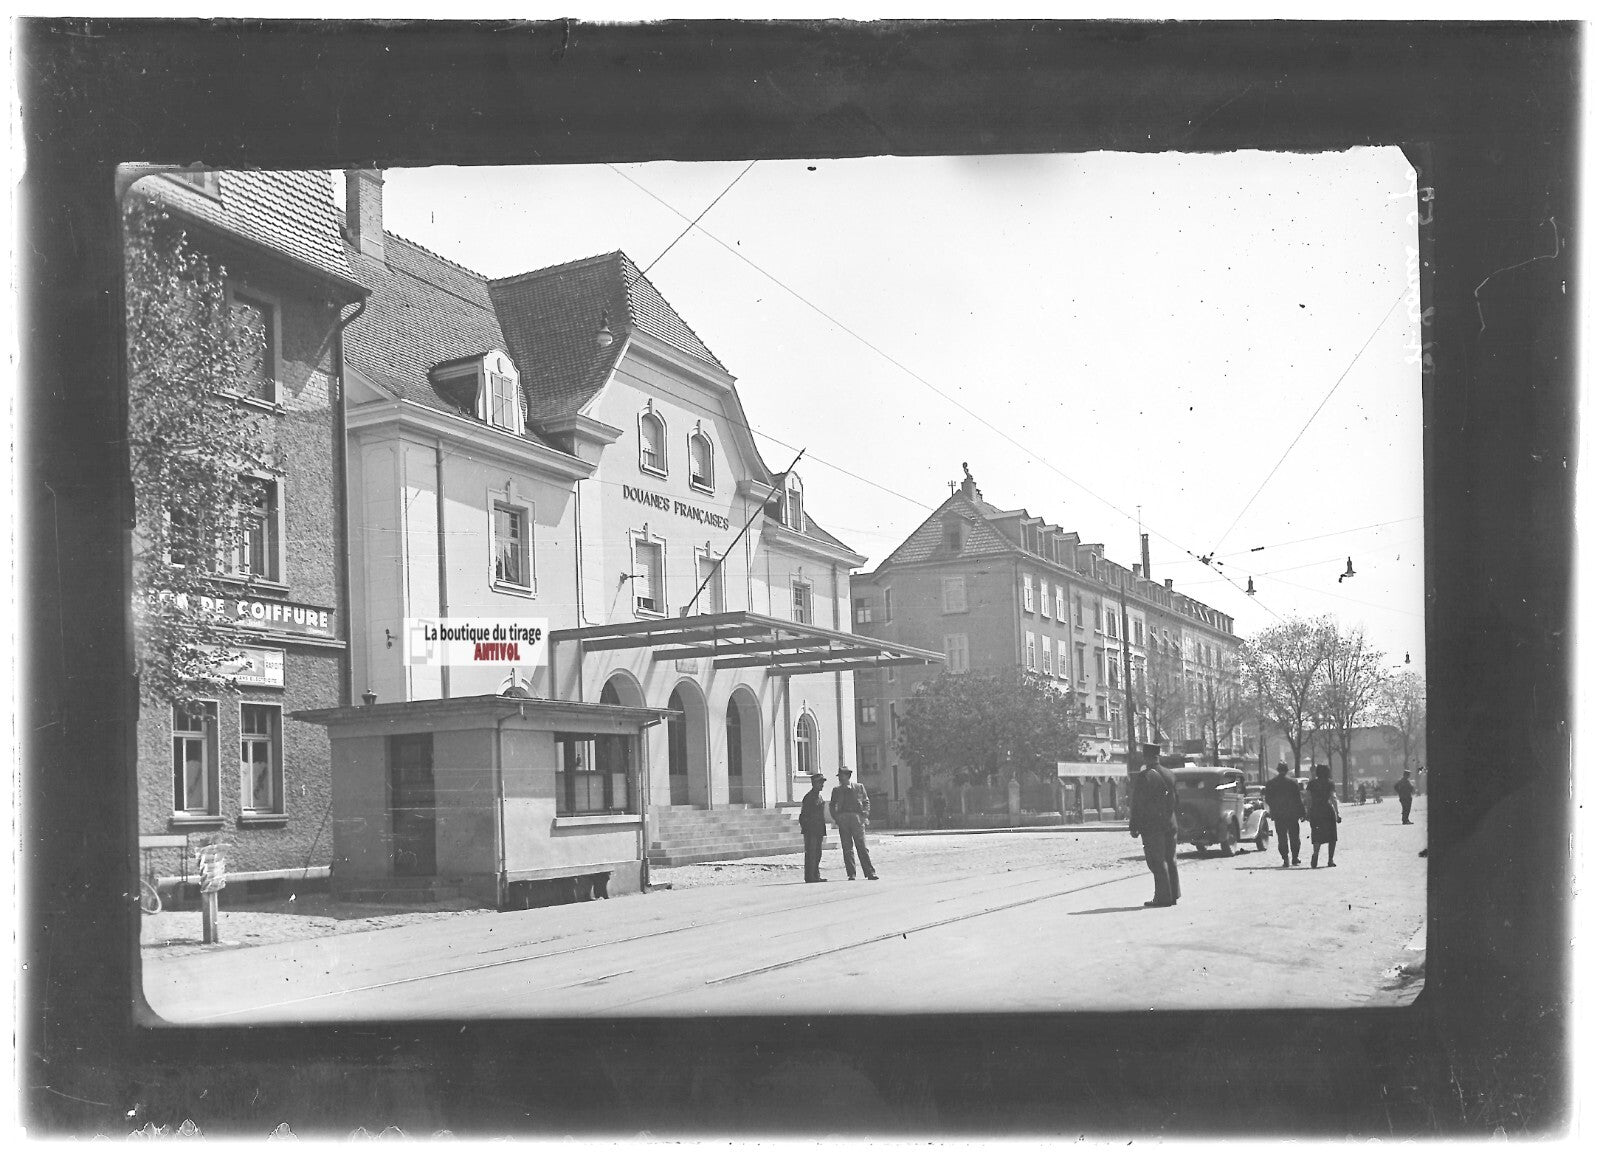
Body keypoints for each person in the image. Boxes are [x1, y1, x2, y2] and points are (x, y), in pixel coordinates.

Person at [1128, 744, 1180, 908]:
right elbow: (1176, 800)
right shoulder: (1170, 774)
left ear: (1145, 757)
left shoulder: (1145, 776)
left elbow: (1138, 804)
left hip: (1153, 826)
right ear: (1158, 756)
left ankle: (1162, 897)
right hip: (1170, 823)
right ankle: (1173, 895)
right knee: (1170, 858)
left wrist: (1134, 825)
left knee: (1157, 860)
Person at [829, 767, 878, 881]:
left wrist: (865, 815)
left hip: (857, 819)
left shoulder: (859, 787)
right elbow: (832, 805)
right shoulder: (836, 790)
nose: (840, 779)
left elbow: (866, 801)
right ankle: (851, 873)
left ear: (847, 776)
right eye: (839, 776)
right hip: (843, 819)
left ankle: (870, 872)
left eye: (842, 776)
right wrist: (836, 818)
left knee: (862, 846)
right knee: (847, 848)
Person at [1262, 761, 1306, 867]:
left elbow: (1268, 799)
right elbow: (1298, 799)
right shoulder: (1293, 782)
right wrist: (1303, 813)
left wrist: (1274, 808)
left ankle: (1285, 859)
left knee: (1282, 837)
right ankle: (1295, 858)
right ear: (1287, 770)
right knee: (1294, 836)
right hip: (1292, 814)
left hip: (1279, 815)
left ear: (1278, 770)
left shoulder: (1271, 783)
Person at [1306, 763, 1341, 868]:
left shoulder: (1311, 784)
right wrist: (1337, 813)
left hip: (1315, 810)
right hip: (1327, 810)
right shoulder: (1330, 783)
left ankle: (1316, 853)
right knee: (1332, 836)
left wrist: (1308, 811)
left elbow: (1308, 799)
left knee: (1316, 834)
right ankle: (1330, 860)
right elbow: (1333, 798)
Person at [798, 773, 829, 882]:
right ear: (814, 784)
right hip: (811, 830)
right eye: (820, 783)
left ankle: (816, 875)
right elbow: (803, 816)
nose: (822, 785)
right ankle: (810, 876)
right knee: (811, 853)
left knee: (817, 853)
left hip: (819, 829)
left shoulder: (819, 797)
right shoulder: (809, 797)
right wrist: (807, 829)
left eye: (822, 783)